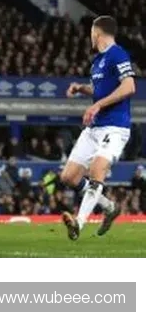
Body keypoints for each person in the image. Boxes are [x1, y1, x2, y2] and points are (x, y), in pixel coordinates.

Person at [61, 16, 136, 240]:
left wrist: (97, 105)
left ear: (97, 33)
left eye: (91, 33)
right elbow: (98, 90)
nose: (90, 37)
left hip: (115, 127)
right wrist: (80, 88)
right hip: (94, 129)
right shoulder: (97, 62)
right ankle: (110, 207)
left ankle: (79, 223)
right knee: (69, 177)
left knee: (97, 169)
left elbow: (129, 86)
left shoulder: (118, 54)